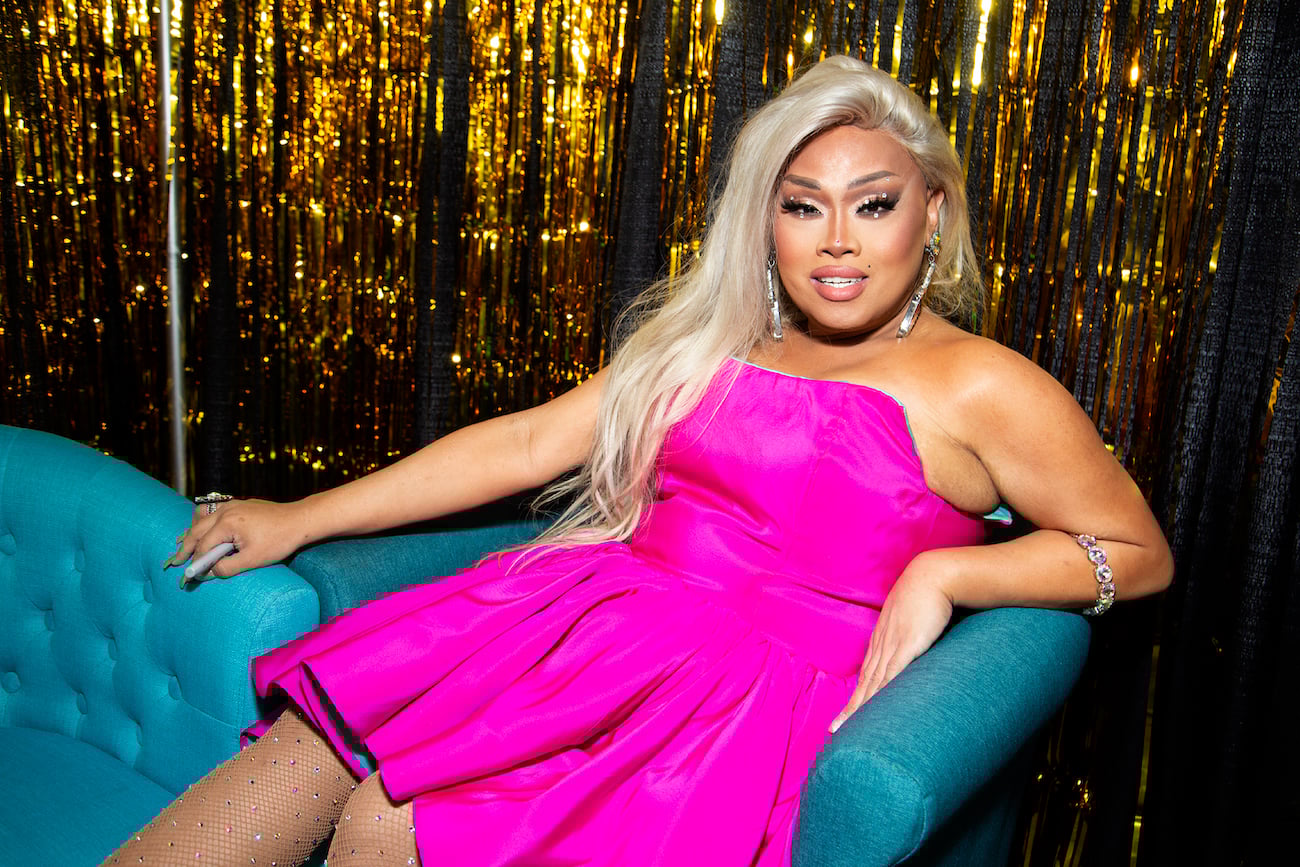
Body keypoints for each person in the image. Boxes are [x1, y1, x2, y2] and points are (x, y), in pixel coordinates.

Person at [104, 55, 1173, 867]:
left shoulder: (981, 383)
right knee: (318, 742)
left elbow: (1137, 552)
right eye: (803, 205)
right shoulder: (712, 338)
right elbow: (528, 441)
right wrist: (301, 516)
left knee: (389, 827)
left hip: (735, 716)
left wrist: (950, 571)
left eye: (874, 203)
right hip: (585, 626)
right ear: (766, 221)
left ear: (931, 211)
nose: (837, 239)